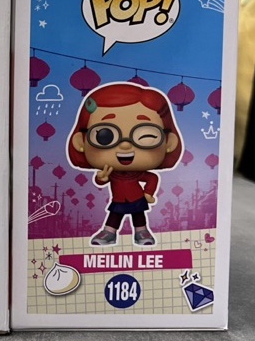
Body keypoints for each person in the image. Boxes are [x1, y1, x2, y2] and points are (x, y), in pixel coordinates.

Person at [67, 82, 183, 247]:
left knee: (138, 216)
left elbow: (151, 178)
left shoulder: (138, 173)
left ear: (169, 142)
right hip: (119, 199)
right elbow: (102, 181)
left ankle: (141, 232)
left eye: (146, 135)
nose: (125, 145)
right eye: (105, 136)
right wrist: (101, 178)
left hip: (137, 198)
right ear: (81, 142)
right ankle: (109, 232)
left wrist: (148, 193)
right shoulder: (111, 171)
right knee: (115, 215)